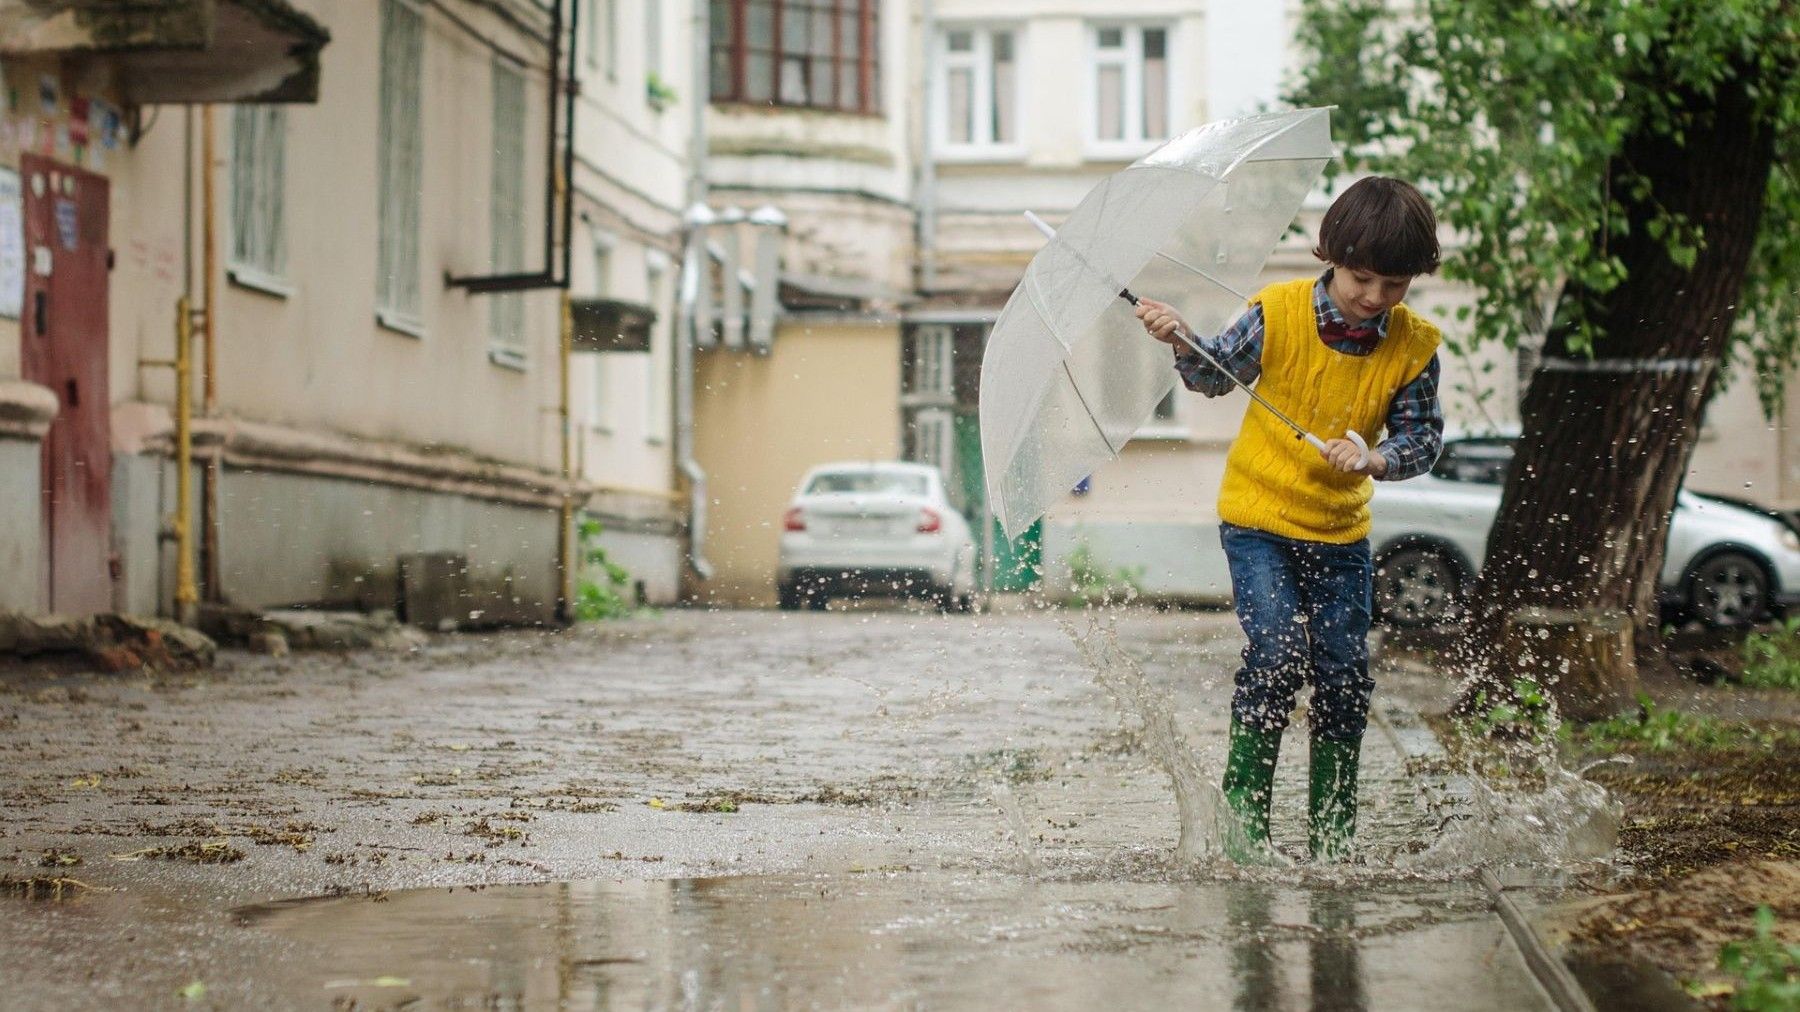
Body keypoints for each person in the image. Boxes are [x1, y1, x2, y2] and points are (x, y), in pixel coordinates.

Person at [1134, 176, 1445, 862]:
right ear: (1330, 255)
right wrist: (1181, 337)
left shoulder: (1414, 347)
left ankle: (1332, 838)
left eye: (1395, 285)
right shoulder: (1276, 314)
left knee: (1343, 675)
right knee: (1276, 658)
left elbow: (1423, 441)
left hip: (1340, 533)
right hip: (1259, 523)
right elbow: (1214, 376)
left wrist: (1378, 458)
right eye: (1362, 278)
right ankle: (1245, 833)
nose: (1375, 298)